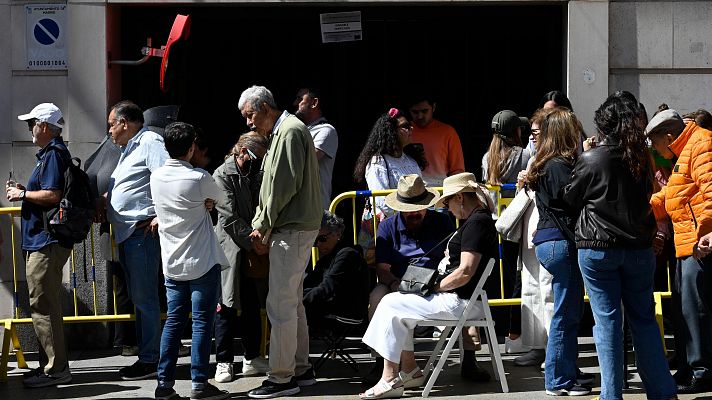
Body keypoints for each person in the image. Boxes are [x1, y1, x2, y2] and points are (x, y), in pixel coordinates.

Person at [565, 91, 677, 400]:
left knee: (607, 322)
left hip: (598, 248)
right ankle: (662, 392)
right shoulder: (643, 157)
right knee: (644, 320)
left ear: (605, 125)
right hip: (638, 247)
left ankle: (611, 394)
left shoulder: (592, 158)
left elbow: (570, 198)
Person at [359, 172, 497, 399]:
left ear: (460, 198)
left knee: (392, 305)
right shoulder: (475, 221)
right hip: (460, 297)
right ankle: (407, 370)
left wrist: (434, 287)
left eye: (448, 202)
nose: (448, 208)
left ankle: (390, 378)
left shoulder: (476, 223)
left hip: (460, 300)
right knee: (391, 303)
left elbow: (465, 272)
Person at [238, 85, 322, 399]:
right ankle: (300, 368)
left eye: (250, 115)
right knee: (292, 303)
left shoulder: (288, 132)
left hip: (290, 229)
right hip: (294, 228)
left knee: (281, 305)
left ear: (265, 107)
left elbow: (282, 186)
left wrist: (262, 225)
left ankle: (282, 377)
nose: (248, 123)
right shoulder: (286, 131)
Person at [151, 122, 230, 400]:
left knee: (173, 322)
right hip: (201, 262)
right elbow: (219, 198)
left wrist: (204, 202)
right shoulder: (199, 177)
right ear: (192, 147)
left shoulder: (156, 177)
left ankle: (164, 385)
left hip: (172, 262)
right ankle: (199, 383)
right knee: (201, 324)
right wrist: (206, 203)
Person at [7, 103, 73, 388]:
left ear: (44, 126)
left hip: (45, 242)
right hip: (42, 240)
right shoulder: (50, 155)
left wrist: (23, 194)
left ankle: (55, 369)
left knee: (43, 306)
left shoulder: (54, 155)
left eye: (31, 124)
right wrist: (26, 192)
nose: (29, 129)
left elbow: (52, 195)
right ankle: (50, 366)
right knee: (43, 305)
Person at [525, 108, 590, 396]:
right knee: (566, 313)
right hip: (560, 244)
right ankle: (559, 381)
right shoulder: (558, 166)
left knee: (568, 311)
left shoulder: (549, 163)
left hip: (552, 243)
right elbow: (572, 202)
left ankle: (567, 371)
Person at [648, 106, 712, 393]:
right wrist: (643, 202)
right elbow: (672, 195)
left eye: (656, 142)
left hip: (698, 242)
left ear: (669, 135)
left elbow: (710, 188)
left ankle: (702, 370)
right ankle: (689, 367)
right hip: (686, 242)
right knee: (684, 308)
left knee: (694, 310)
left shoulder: (700, 143)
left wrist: (709, 229)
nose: (655, 149)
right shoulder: (685, 149)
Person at [105, 100, 169, 380]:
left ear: (125, 123)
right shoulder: (129, 148)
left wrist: (159, 215)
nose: (109, 131)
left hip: (141, 233)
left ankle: (150, 359)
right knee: (140, 298)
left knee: (145, 299)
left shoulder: (150, 141)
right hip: (129, 234)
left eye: (111, 124)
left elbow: (165, 177)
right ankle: (149, 356)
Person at [212, 132, 271, 383]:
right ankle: (224, 361)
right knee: (226, 305)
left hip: (249, 246)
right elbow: (226, 216)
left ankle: (251, 356)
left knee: (250, 303)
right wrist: (253, 241)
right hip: (231, 249)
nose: (258, 161)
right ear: (243, 151)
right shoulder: (221, 175)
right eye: (256, 156)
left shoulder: (251, 173)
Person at [482, 109, 531, 353]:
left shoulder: (486, 158)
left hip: (494, 226)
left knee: (494, 281)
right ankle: (513, 334)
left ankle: (492, 331)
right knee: (516, 281)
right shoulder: (525, 155)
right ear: (517, 131)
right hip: (517, 226)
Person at [513, 108, 555, 368]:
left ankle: (554, 348)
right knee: (530, 289)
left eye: (536, 133)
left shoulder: (559, 158)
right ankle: (536, 347)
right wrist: (522, 183)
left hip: (548, 231)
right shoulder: (532, 159)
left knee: (548, 290)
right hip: (530, 230)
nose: (532, 137)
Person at [354, 108, 427, 217]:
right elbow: (381, 201)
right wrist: (404, 219)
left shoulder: (411, 161)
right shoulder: (378, 162)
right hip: (389, 225)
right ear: (392, 131)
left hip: (413, 222)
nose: (411, 128)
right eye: (405, 126)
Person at [303, 210, 369, 329]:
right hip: (333, 308)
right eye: (314, 240)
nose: (318, 244)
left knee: (292, 312)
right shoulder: (327, 257)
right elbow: (311, 282)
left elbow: (327, 289)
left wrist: (297, 301)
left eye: (322, 239)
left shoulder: (347, 255)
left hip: (348, 315)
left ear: (338, 234)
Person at [294, 87, 339, 210]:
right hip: (295, 207)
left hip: (314, 208)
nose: (295, 103)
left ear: (314, 103)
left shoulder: (326, 130)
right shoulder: (300, 130)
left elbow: (307, 158)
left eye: (300, 99)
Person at [408, 94, 465, 187]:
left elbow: (457, 170)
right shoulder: (403, 131)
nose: (420, 116)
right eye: (415, 112)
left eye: (424, 111)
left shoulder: (448, 132)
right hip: (409, 190)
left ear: (433, 107)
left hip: (440, 189)